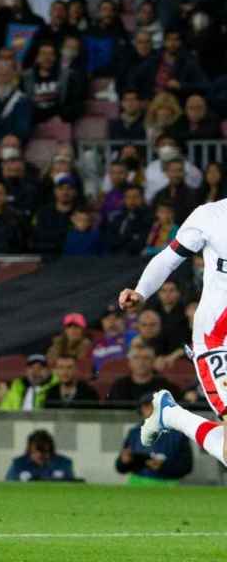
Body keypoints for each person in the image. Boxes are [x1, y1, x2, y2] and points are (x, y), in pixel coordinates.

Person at [121, 197, 227, 471]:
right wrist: (141, 291)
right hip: (217, 339)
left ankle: (171, 415)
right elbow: (169, 258)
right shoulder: (211, 216)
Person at [116, 396, 192, 486]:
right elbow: (120, 467)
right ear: (141, 410)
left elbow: (186, 467)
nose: (151, 410)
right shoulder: (134, 433)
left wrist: (162, 467)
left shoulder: (178, 435)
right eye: (147, 407)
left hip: (168, 484)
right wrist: (124, 461)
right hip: (136, 484)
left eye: (155, 407)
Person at [106, 343, 178, 406]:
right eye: (136, 358)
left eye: (146, 358)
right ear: (129, 362)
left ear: (153, 362)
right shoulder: (119, 386)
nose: (141, 362)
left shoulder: (165, 387)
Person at [5, 430, 76, 482]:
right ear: (29, 450)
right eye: (36, 451)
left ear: (51, 450)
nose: (40, 455)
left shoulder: (63, 463)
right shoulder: (18, 464)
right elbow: (9, 482)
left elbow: (72, 483)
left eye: (44, 451)